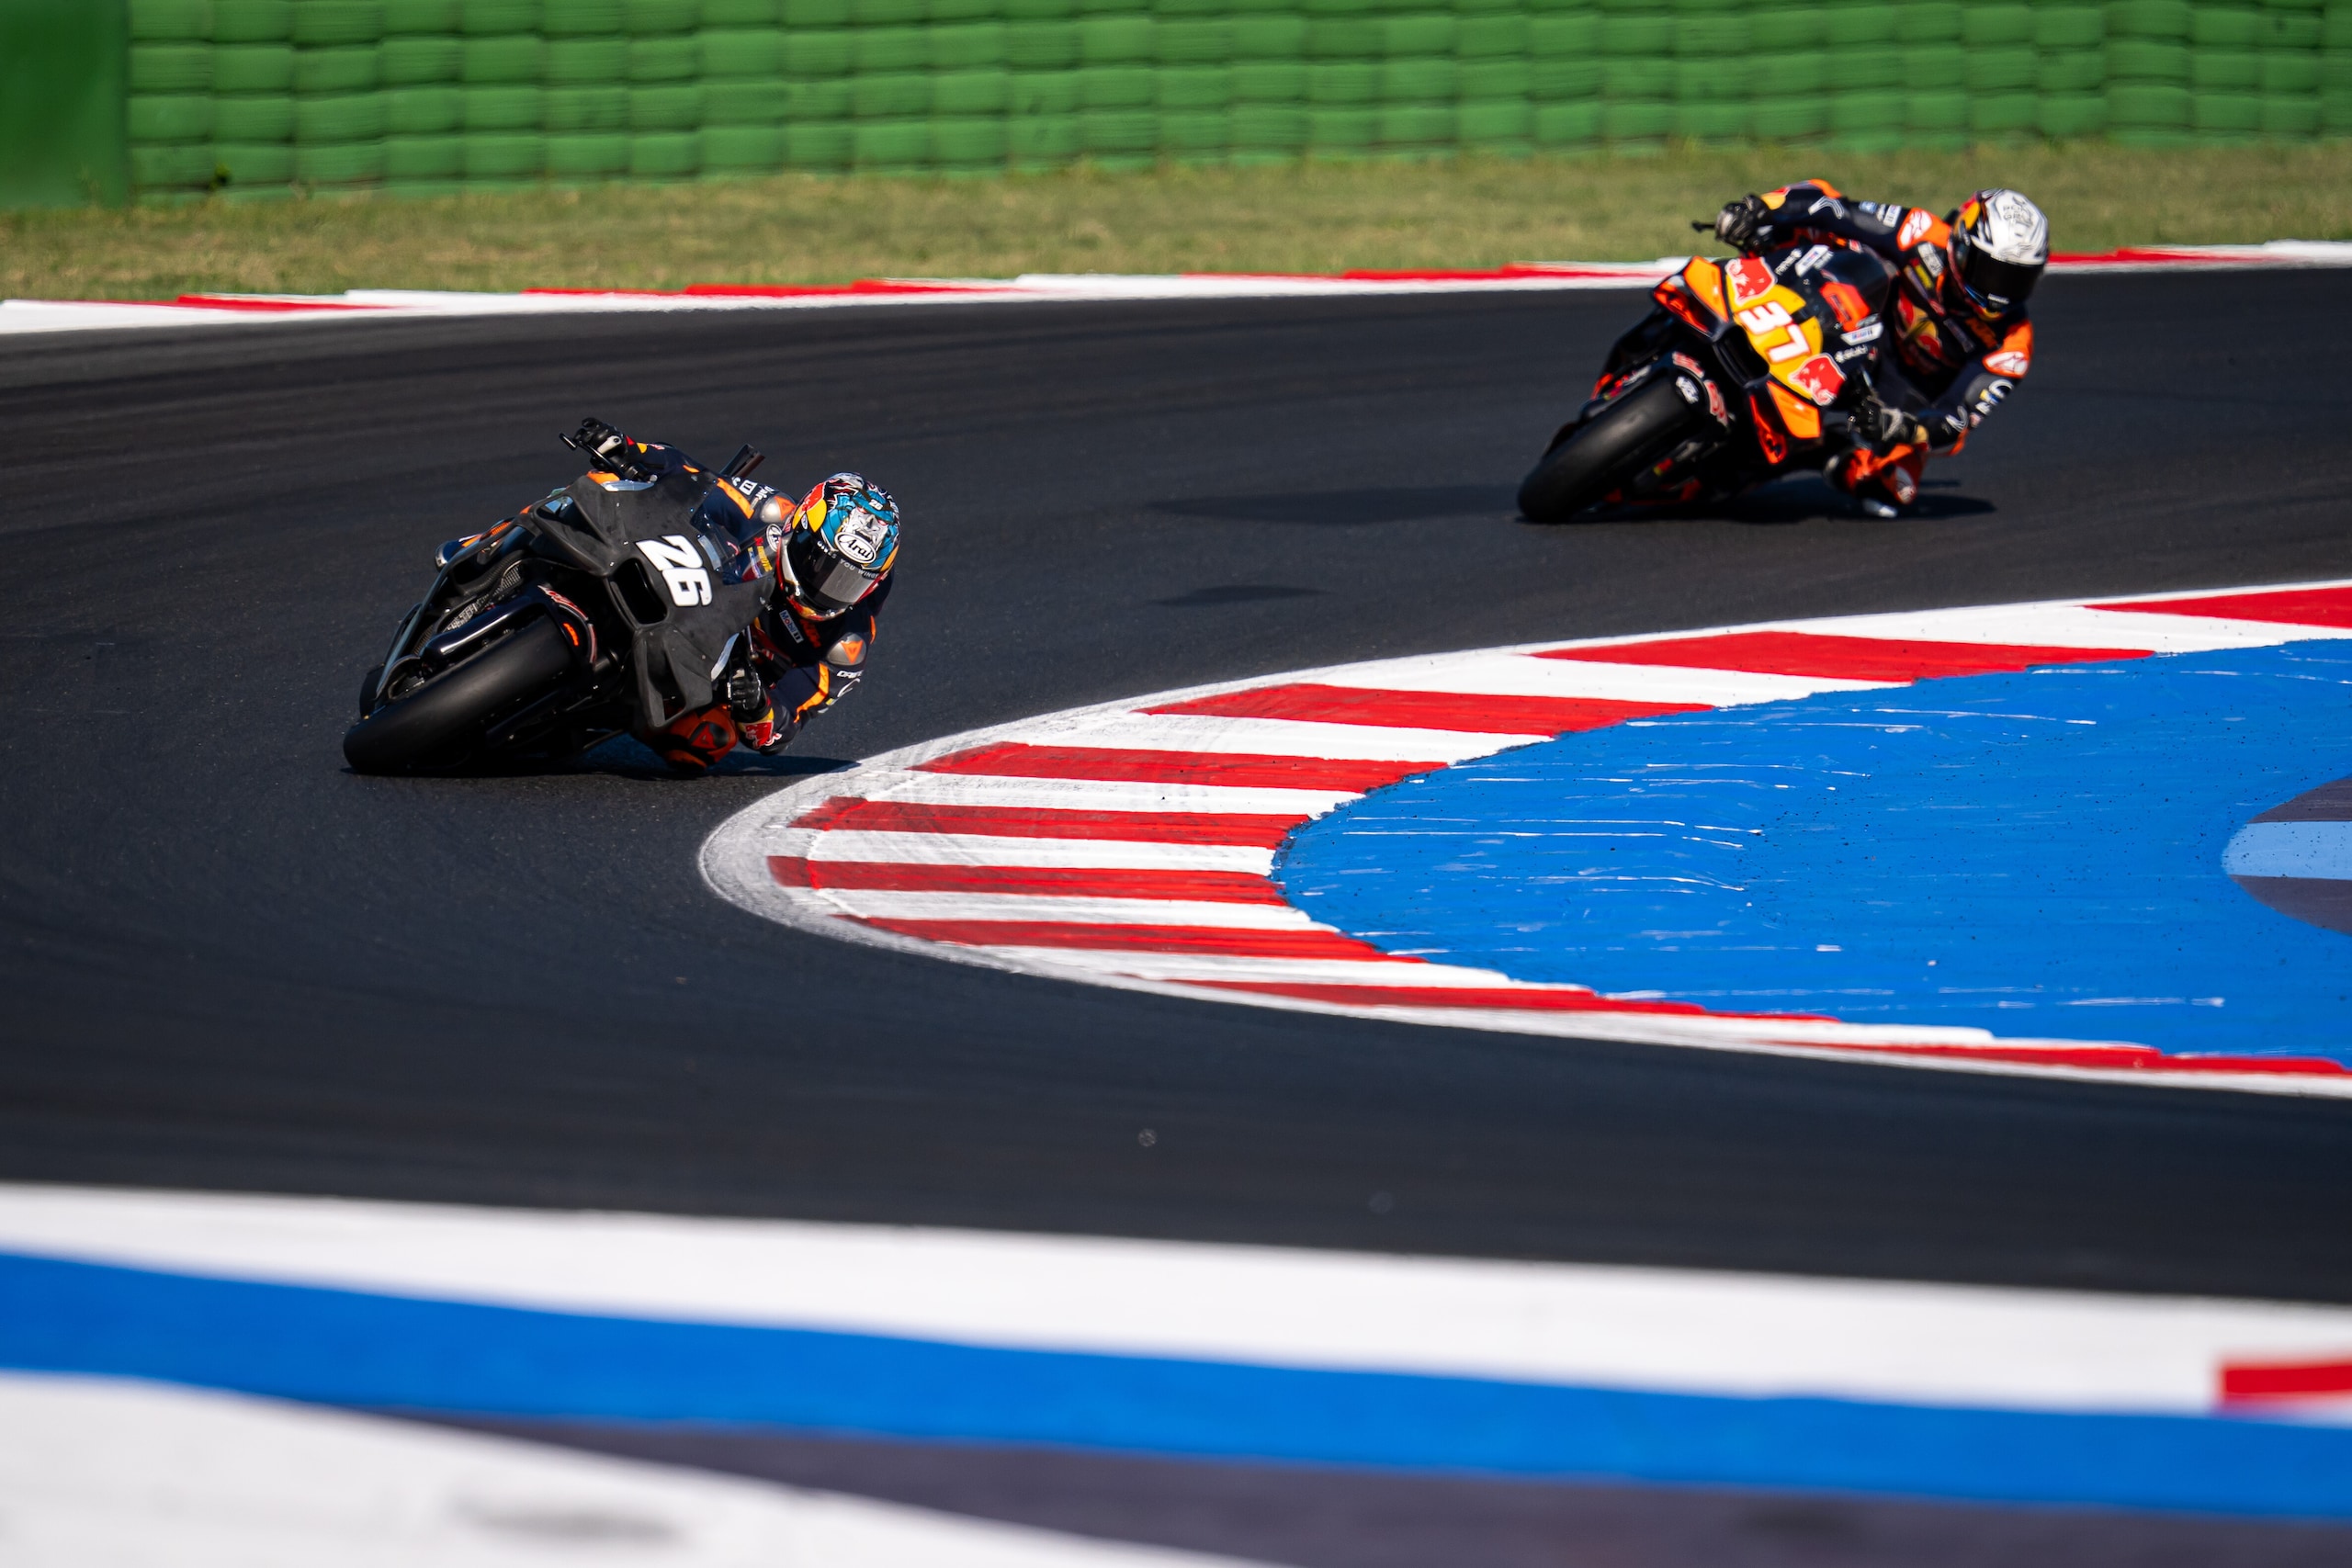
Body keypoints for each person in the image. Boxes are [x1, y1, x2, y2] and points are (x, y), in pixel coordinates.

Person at [570, 418, 900, 773]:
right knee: (607, 486)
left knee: (708, 740)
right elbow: (691, 477)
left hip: (707, 667)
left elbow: (782, 729)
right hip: (675, 574)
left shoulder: (845, 648)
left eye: (847, 583)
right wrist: (629, 449)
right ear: (801, 530)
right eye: (822, 565)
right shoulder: (769, 511)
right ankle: (513, 540)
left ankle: (588, 716)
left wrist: (758, 705)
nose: (827, 587)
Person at [1711, 182, 2047, 517]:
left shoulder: (2013, 344)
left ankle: (1813, 450)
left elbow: (1956, 419)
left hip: (1905, 397)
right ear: (1962, 245)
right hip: (1866, 331)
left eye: (2017, 279)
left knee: (1892, 489)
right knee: (1815, 203)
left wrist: (1900, 426)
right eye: (1993, 272)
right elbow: (1837, 211)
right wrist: (1760, 209)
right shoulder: (1921, 233)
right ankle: (1746, 290)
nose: (1999, 294)